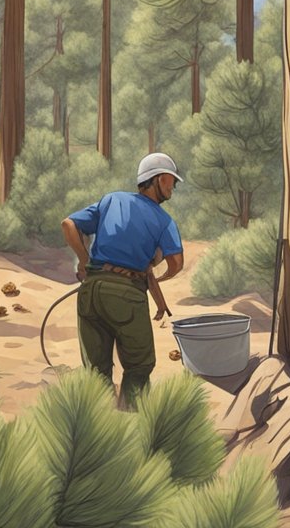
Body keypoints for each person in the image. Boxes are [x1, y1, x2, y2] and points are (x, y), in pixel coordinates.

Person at [61, 152, 185, 409]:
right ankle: (131, 428)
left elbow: (69, 224)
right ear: (159, 180)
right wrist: (158, 267)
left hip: (91, 292)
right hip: (127, 298)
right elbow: (176, 264)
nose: (173, 186)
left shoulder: (111, 200)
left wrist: (84, 260)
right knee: (139, 366)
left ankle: (100, 431)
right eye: (171, 180)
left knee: (96, 372)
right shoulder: (164, 221)